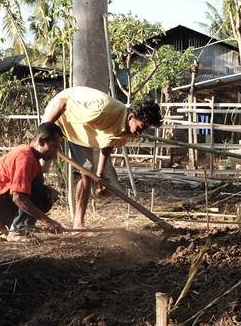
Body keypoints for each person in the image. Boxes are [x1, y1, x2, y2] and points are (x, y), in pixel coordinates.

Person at [42, 86, 162, 229]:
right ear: (131, 117)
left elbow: (107, 145)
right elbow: (62, 103)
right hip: (59, 118)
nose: (141, 132)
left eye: (145, 128)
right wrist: (43, 133)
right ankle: (23, 219)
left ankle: (78, 224)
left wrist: (99, 176)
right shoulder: (103, 110)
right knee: (40, 168)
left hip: (81, 133)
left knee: (87, 172)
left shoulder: (128, 131)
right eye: (141, 126)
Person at [0, 122, 66, 239]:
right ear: (42, 141)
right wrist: (47, 220)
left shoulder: (28, 154)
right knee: (41, 192)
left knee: (47, 193)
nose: (55, 153)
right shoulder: (25, 158)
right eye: (54, 147)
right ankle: (18, 232)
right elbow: (18, 197)